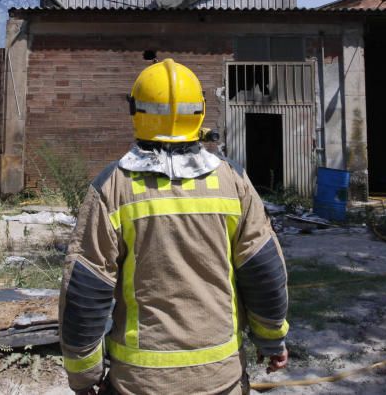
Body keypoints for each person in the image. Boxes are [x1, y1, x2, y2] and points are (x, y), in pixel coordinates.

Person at [58, 59, 290, 395]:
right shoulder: (233, 181)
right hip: (220, 379)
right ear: (200, 111)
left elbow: (85, 287)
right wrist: (272, 340)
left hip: (140, 382)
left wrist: (83, 377)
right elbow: (263, 269)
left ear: (136, 112)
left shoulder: (113, 187)